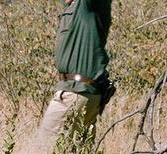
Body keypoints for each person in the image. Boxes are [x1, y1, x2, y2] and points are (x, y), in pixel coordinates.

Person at [39, 0, 115, 143]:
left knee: (44, 149)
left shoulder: (88, 6)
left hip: (76, 93)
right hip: (78, 92)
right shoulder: (76, 8)